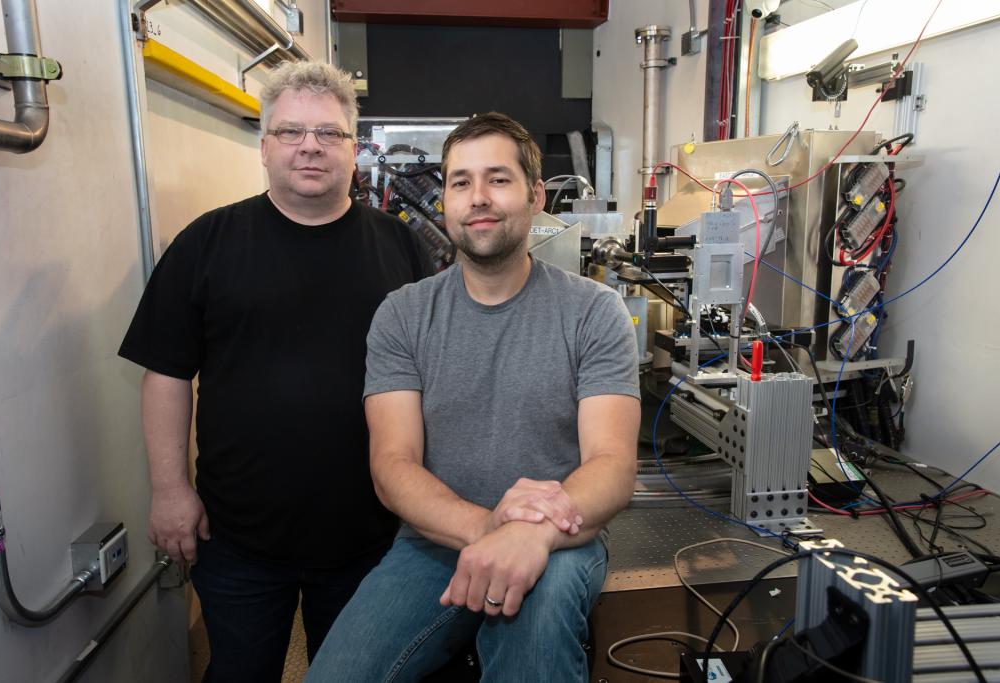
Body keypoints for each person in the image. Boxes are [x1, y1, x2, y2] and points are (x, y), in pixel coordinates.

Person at [118, 61, 431, 683]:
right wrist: (170, 490)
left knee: (357, 673)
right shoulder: (206, 243)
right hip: (237, 536)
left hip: (368, 532)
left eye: (329, 133)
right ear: (264, 147)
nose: (309, 145)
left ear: (354, 149)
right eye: (290, 132)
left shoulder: (401, 247)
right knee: (239, 672)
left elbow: (438, 374)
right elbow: (167, 373)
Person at [306, 112, 641, 682]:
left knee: (536, 639)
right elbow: (392, 466)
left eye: (499, 179)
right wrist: (492, 531)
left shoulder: (592, 311)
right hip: (434, 542)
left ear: (536, 196)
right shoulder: (403, 315)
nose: (478, 197)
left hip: (561, 539)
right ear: (446, 202)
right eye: (461, 182)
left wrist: (531, 535)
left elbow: (612, 465)